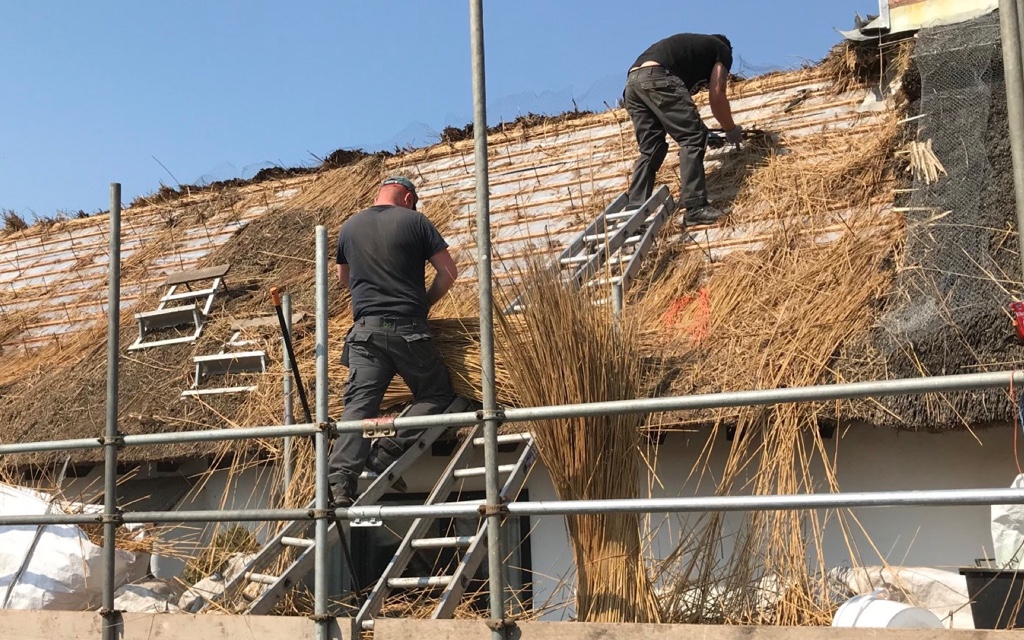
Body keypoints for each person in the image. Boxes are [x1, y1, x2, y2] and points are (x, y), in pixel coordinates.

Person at [328, 176, 459, 507]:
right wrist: (425, 302)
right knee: (436, 393)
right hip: (408, 330)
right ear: (408, 198)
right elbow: (449, 272)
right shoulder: (415, 221)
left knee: (358, 408)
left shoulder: (350, 227)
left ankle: (340, 483)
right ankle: (387, 450)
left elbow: (345, 279)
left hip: (365, 333)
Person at [623, 33, 743, 227]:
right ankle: (695, 208)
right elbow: (717, 94)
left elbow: (674, 114)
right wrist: (730, 129)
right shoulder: (722, 49)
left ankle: (634, 210)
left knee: (651, 149)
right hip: (657, 77)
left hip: (632, 84)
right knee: (692, 138)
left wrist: (704, 132)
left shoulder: (690, 52)